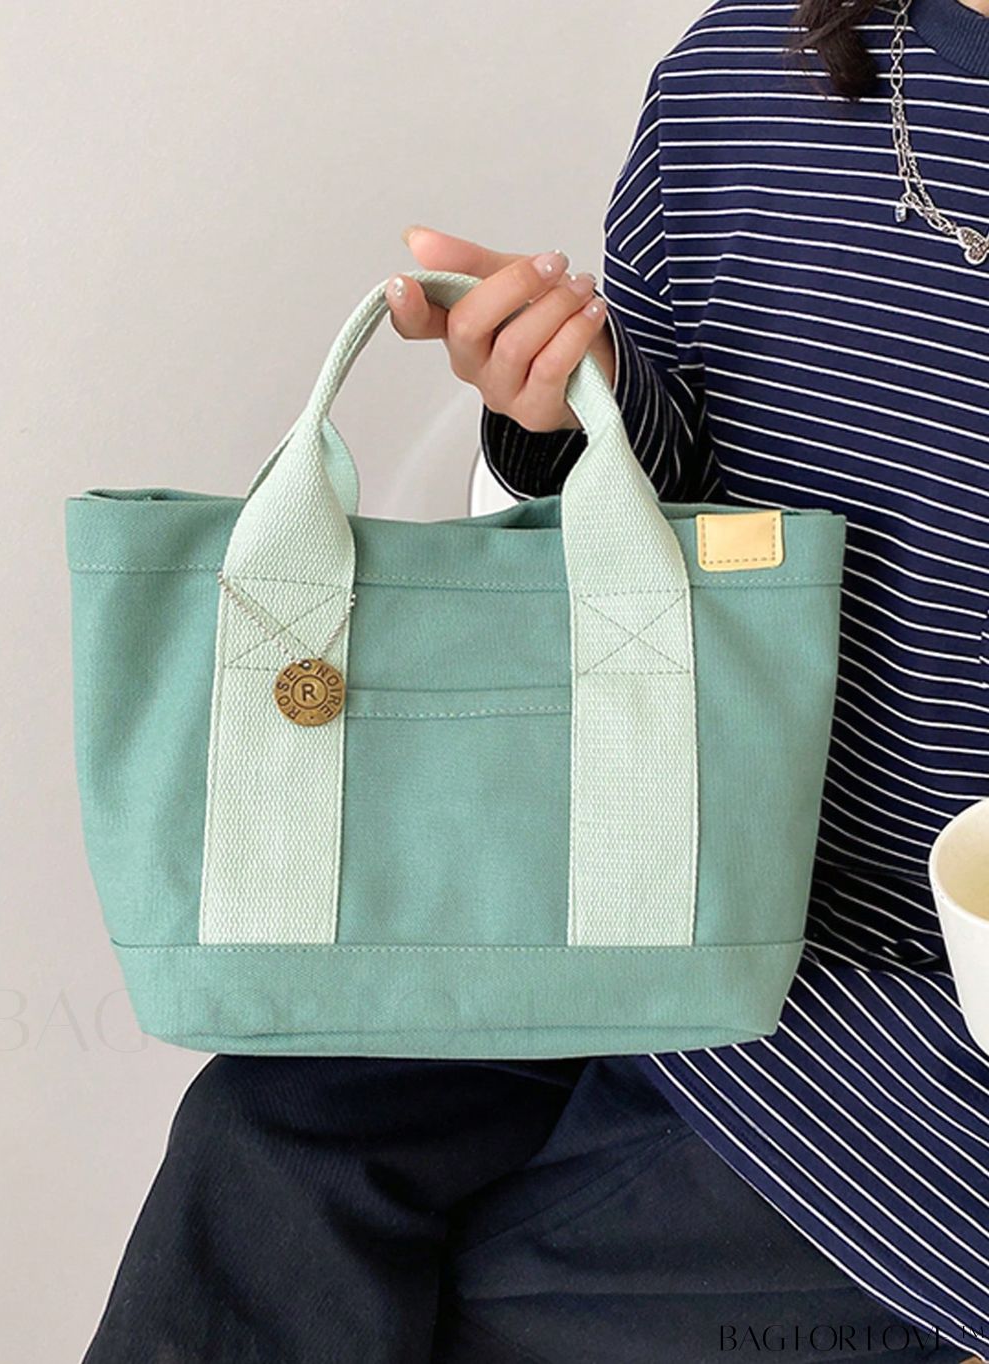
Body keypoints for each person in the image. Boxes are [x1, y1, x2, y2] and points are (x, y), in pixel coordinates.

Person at [83, 1, 988, 1361]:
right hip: (660, 886)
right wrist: (568, 411)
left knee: (485, 1303)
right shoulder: (739, 75)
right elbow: (683, 533)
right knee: (257, 1152)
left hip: (918, 1045)